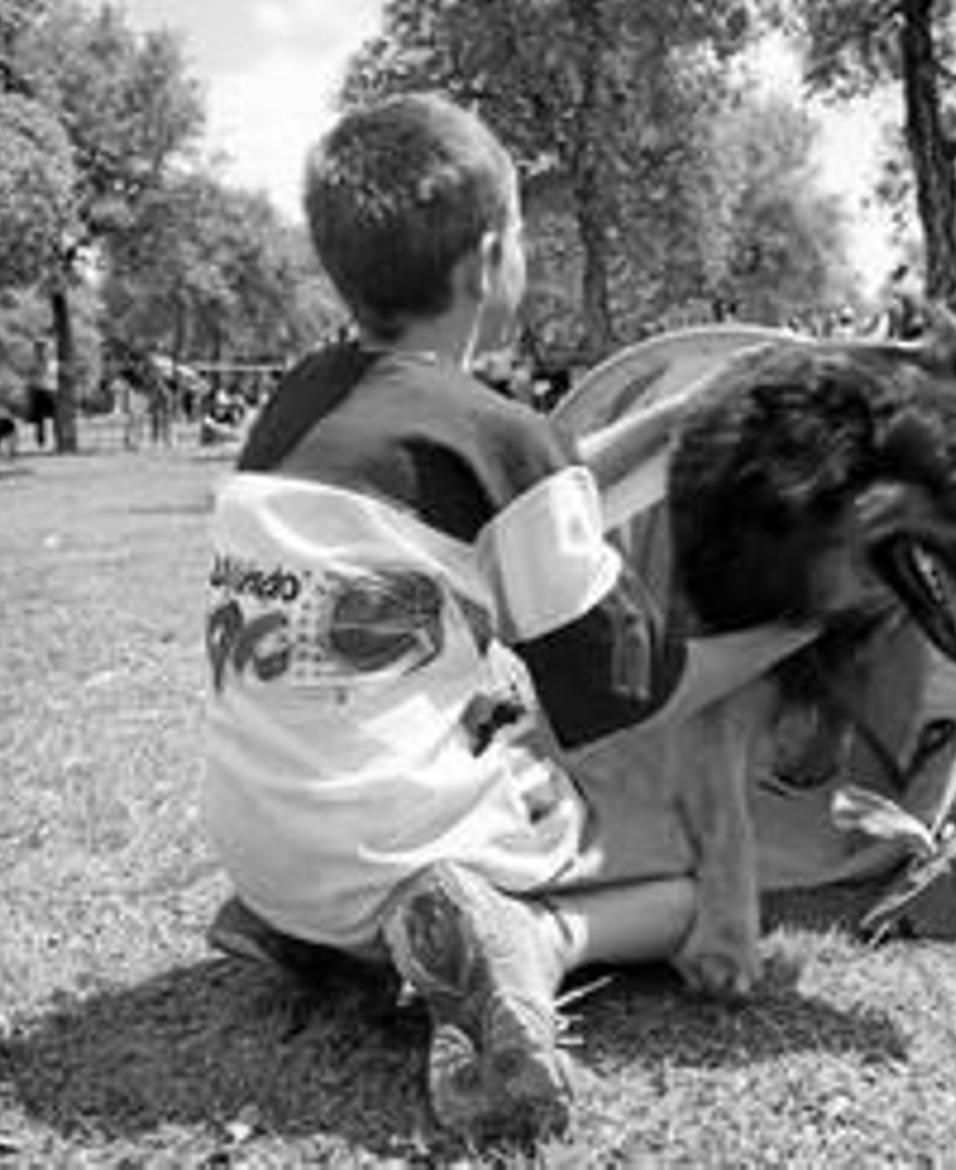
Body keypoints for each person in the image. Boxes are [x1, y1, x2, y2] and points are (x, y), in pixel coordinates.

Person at [201, 93, 808, 1144]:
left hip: (259, 846)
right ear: (490, 261)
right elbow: (636, 694)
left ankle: (318, 935)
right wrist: (804, 625)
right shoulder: (501, 441)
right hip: (397, 844)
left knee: (423, 757)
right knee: (692, 878)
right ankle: (530, 941)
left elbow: (529, 489)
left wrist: (673, 416)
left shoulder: (296, 407)